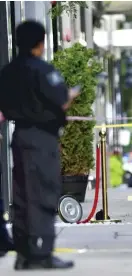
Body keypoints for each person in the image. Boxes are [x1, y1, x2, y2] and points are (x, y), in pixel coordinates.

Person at [0, 21, 78, 270]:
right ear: (40, 43)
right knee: (43, 194)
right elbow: (60, 100)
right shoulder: (42, 70)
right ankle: (41, 253)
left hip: (19, 136)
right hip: (41, 139)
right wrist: (70, 95)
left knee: (22, 196)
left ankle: (24, 253)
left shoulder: (8, 72)